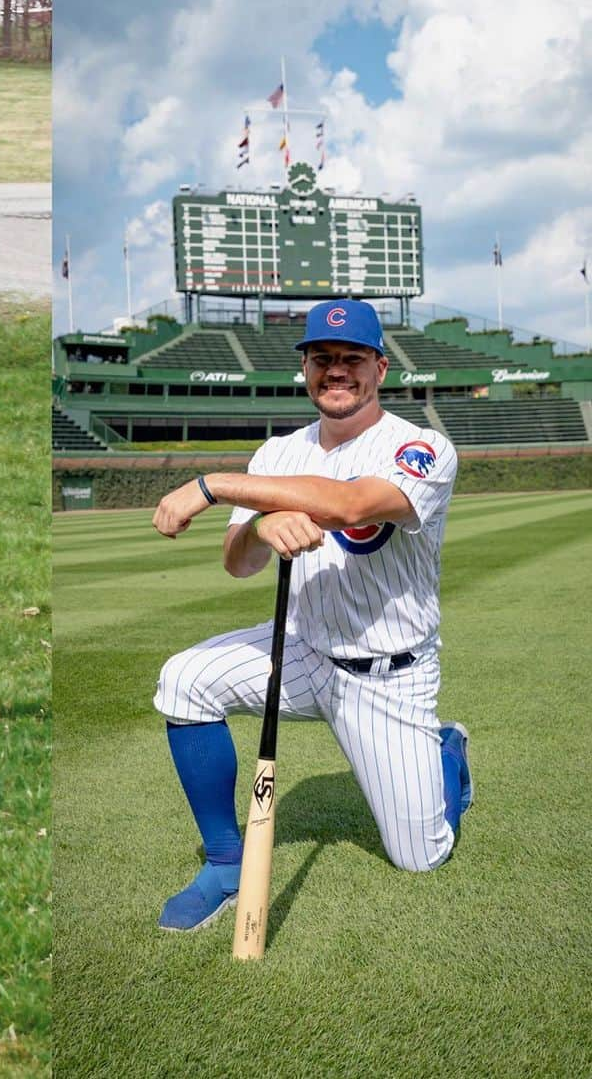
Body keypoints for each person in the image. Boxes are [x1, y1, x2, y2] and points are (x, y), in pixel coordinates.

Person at [150, 299, 473, 932]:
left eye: (352, 358)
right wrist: (262, 526)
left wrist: (215, 484)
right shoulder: (278, 452)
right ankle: (223, 863)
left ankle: (447, 750)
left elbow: (354, 503)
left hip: (389, 674)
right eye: (322, 359)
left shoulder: (421, 446)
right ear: (305, 368)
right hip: (303, 651)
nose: (336, 371)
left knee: (420, 857)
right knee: (183, 679)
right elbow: (238, 564)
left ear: (380, 367)